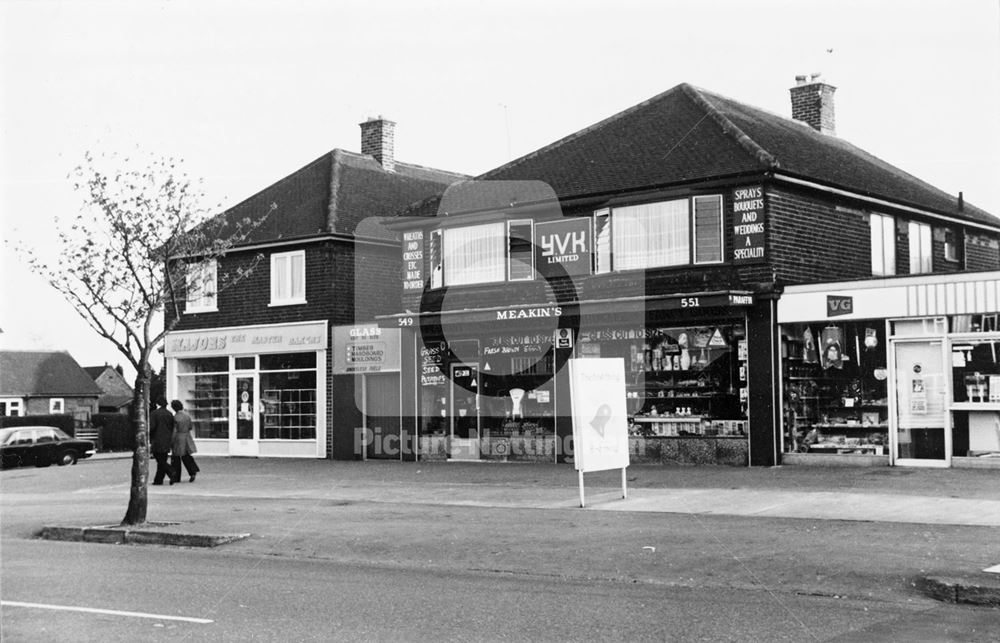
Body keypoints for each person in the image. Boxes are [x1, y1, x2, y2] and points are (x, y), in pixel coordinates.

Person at [169, 399, 200, 483]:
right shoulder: (187, 416)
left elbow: (174, 431)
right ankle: (192, 470)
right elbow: (190, 427)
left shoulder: (175, 418)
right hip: (187, 436)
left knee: (176, 458)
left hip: (179, 438)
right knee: (186, 456)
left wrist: (171, 441)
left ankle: (176, 476)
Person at [149, 397, 174, 485]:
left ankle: (171, 471)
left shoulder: (154, 413)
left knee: (159, 459)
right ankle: (158, 480)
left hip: (157, 439)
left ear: (157, 404)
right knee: (163, 458)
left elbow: (152, 427)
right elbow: (172, 427)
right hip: (167, 439)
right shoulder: (169, 414)